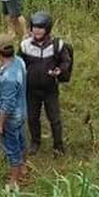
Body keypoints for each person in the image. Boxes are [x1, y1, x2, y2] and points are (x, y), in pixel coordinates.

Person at [20, 11, 72, 157]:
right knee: (32, 118)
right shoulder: (25, 45)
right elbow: (19, 63)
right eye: (34, 27)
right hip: (31, 89)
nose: (36, 30)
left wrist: (59, 70)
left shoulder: (58, 45)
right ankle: (35, 142)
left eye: (40, 27)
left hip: (50, 89)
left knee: (54, 118)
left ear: (47, 29)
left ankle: (58, 146)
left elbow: (66, 61)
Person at [0, 33, 27, 189]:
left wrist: (0, 123)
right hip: (22, 111)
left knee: (11, 147)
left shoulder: (8, 77)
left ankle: (14, 181)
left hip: (11, 117)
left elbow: (8, 103)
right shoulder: (19, 62)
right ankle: (23, 167)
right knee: (20, 140)